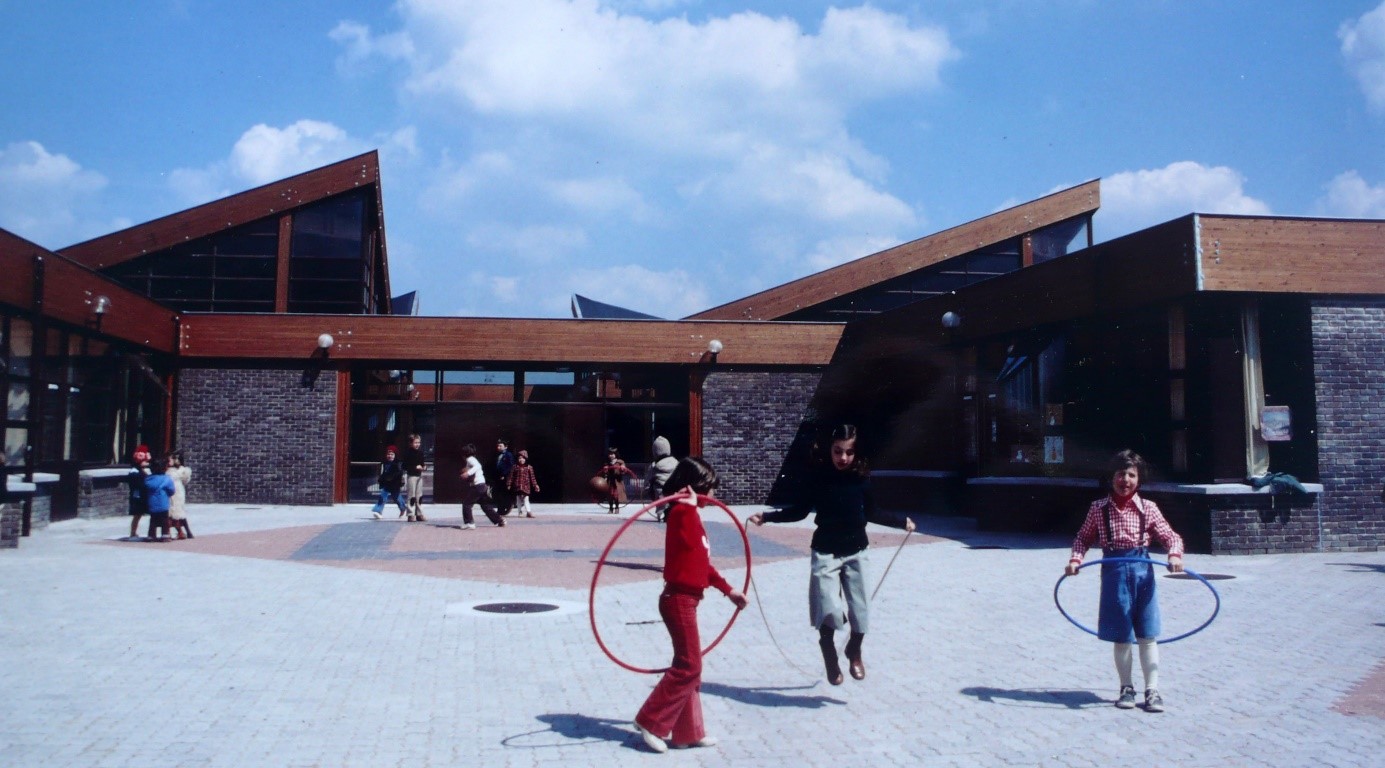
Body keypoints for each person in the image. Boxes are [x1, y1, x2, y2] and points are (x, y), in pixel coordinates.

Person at [748, 424, 914, 685]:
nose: (843, 458)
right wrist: (767, 517)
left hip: (856, 551)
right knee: (828, 608)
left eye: (849, 452)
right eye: (838, 451)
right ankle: (828, 652)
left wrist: (901, 521)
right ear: (830, 449)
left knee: (861, 610)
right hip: (825, 552)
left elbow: (872, 512)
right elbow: (799, 511)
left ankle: (854, 650)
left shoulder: (861, 480)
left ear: (856, 453)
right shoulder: (818, 477)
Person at [633, 457, 747, 753]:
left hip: (688, 601)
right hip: (677, 601)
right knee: (689, 666)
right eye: (707, 488)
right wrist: (691, 504)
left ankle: (687, 733)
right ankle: (650, 720)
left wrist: (729, 590)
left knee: (691, 667)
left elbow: (703, 565)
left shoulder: (692, 515)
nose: (712, 495)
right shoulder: (683, 513)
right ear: (693, 488)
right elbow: (685, 520)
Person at [1066, 449, 1185, 713]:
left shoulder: (1149, 509)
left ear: (1138, 480)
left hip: (1143, 572)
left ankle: (1152, 690)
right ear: (1112, 478)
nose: (1126, 480)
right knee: (1122, 636)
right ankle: (1126, 687)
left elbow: (1171, 537)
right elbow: (1083, 538)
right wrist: (1076, 559)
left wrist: (1174, 555)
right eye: (1121, 474)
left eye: (1131, 475)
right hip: (1114, 573)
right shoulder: (1099, 509)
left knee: (1147, 634)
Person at [459, 443, 504, 529]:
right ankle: (499, 520)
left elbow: (478, 466)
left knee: (467, 503)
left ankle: (469, 523)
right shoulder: (473, 459)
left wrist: (467, 473)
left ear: (464, 454)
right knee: (485, 505)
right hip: (482, 485)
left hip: (477, 486)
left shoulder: (470, 459)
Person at [644, 436, 680, 521]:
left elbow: (647, 483)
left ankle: (661, 513)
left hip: (660, 493)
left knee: (659, 497)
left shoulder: (654, 466)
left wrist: (648, 490)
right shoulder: (677, 463)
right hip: (675, 492)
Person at [143, 457, 177, 542]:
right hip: (163, 503)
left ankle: (151, 535)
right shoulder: (167, 479)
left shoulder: (148, 479)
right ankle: (165, 535)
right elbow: (172, 490)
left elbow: (145, 489)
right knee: (164, 520)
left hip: (152, 503)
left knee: (153, 520)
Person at [371, 446, 408, 520]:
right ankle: (378, 511)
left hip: (395, 484)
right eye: (388, 454)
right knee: (382, 496)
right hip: (386, 483)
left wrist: (392, 477)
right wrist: (381, 479)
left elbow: (399, 473)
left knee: (396, 497)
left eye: (392, 454)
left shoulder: (398, 463)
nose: (390, 456)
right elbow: (384, 473)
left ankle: (403, 508)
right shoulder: (385, 463)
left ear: (395, 455)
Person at [597, 447, 636, 514]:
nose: (611, 455)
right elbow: (605, 472)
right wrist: (605, 470)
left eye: (612, 454)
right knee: (610, 495)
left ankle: (617, 507)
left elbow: (624, 470)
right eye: (610, 454)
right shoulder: (607, 463)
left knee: (616, 495)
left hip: (617, 481)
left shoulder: (620, 462)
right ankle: (611, 508)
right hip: (610, 481)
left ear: (616, 454)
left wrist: (622, 468)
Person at [399, 433, 427, 522]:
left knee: (419, 496)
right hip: (411, 476)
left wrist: (424, 467)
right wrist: (415, 467)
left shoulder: (421, 453)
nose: (417, 444)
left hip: (419, 476)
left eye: (419, 442)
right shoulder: (408, 453)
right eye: (415, 443)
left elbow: (422, 463)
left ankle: (419, 514)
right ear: (411, 443)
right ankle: (410, 514)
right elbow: (404, 466)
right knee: (411, 496)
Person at [126, 444, 152, 540]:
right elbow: (136, 484)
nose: (147, 462)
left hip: (143, 495)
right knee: (137, 515)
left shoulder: (144, 471)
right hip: (137, 496)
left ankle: (137, 532)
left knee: (139, 514)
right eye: (145, 461)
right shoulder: (134, 472)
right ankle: (133, 532)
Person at [166, 451, 194, 540]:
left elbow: (185, 479)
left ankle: (185, 532)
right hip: (174, 491)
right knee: (173, 513)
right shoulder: (170, 470)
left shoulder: (177, 471)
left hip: (177, 492)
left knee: (176, 512)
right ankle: (181, 532)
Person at [506, 449, 540, 518]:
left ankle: (528, 511)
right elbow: (511, 476)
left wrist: (535, 485)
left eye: (522, 458)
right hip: (517, 485)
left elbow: (532, 477)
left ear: (525, 459)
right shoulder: (515, 467)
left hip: (526, 486)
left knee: (526, 499)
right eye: (519, 458)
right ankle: (520, 512)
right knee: (518, 499)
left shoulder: (529, 467)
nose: (521, 460)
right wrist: (509, 484)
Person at [493, 439, 516, 516]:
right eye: (498, 446)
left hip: (505, 477)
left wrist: (504, 474)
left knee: (504, 493)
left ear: (505, 447)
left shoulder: (508, 455)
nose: (498, 447)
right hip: (498, 477)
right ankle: (500, 509)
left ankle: (507, 507)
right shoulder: (497, 455)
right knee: (499, 494)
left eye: (500, 446)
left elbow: (511, 466)